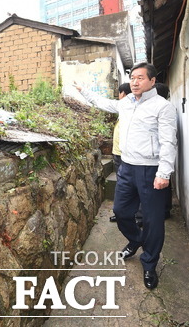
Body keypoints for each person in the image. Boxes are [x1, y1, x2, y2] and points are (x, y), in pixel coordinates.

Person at [75, 62, 177, 289]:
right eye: (132, 78)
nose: (135, 82)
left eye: (140, 78)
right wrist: (84, 91)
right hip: (127, 168)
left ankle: (149, 263)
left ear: (152, 81)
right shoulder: (127, 103)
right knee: (121, 212)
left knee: (152, 220)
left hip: (151, 169)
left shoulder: (162, 107)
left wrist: (164, 173)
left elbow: (169, 142)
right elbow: (104, 103)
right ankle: (136, 240)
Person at [135, 82, 173, 227]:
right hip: (160, 159)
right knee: (162, 187)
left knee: (148, 191)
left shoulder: (160, 109)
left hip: (152, 158)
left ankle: (143, 218)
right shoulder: (167, 108)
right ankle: (164, 211)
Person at [109, 82, 131, 223]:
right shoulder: (124, 109)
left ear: (123, 94)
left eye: (119, 93)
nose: (119, 96)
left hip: (125, 155)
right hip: (118, 153)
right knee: (122, 185)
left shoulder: (129, 108)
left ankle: (127, 214)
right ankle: (122, 213)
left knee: (126, 186)